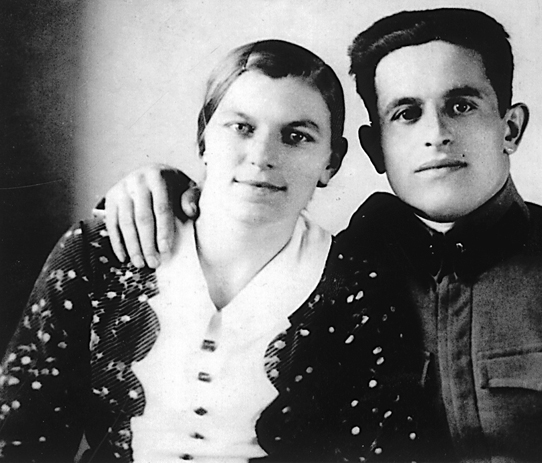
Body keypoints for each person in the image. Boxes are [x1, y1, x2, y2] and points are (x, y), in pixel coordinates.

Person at [99, 7, 542, 462]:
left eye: (462, 106)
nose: (436, 134)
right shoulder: (328, 274)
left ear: (511, 128)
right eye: (406, 113)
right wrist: (162, 189)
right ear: (373, 148)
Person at [0, 39, 358, 461]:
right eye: (241, 127)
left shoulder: (353, 285)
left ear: (331, 161)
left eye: (296, 137)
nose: (262, 156)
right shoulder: (101, 251)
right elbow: (20, 437)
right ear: (203, 138)